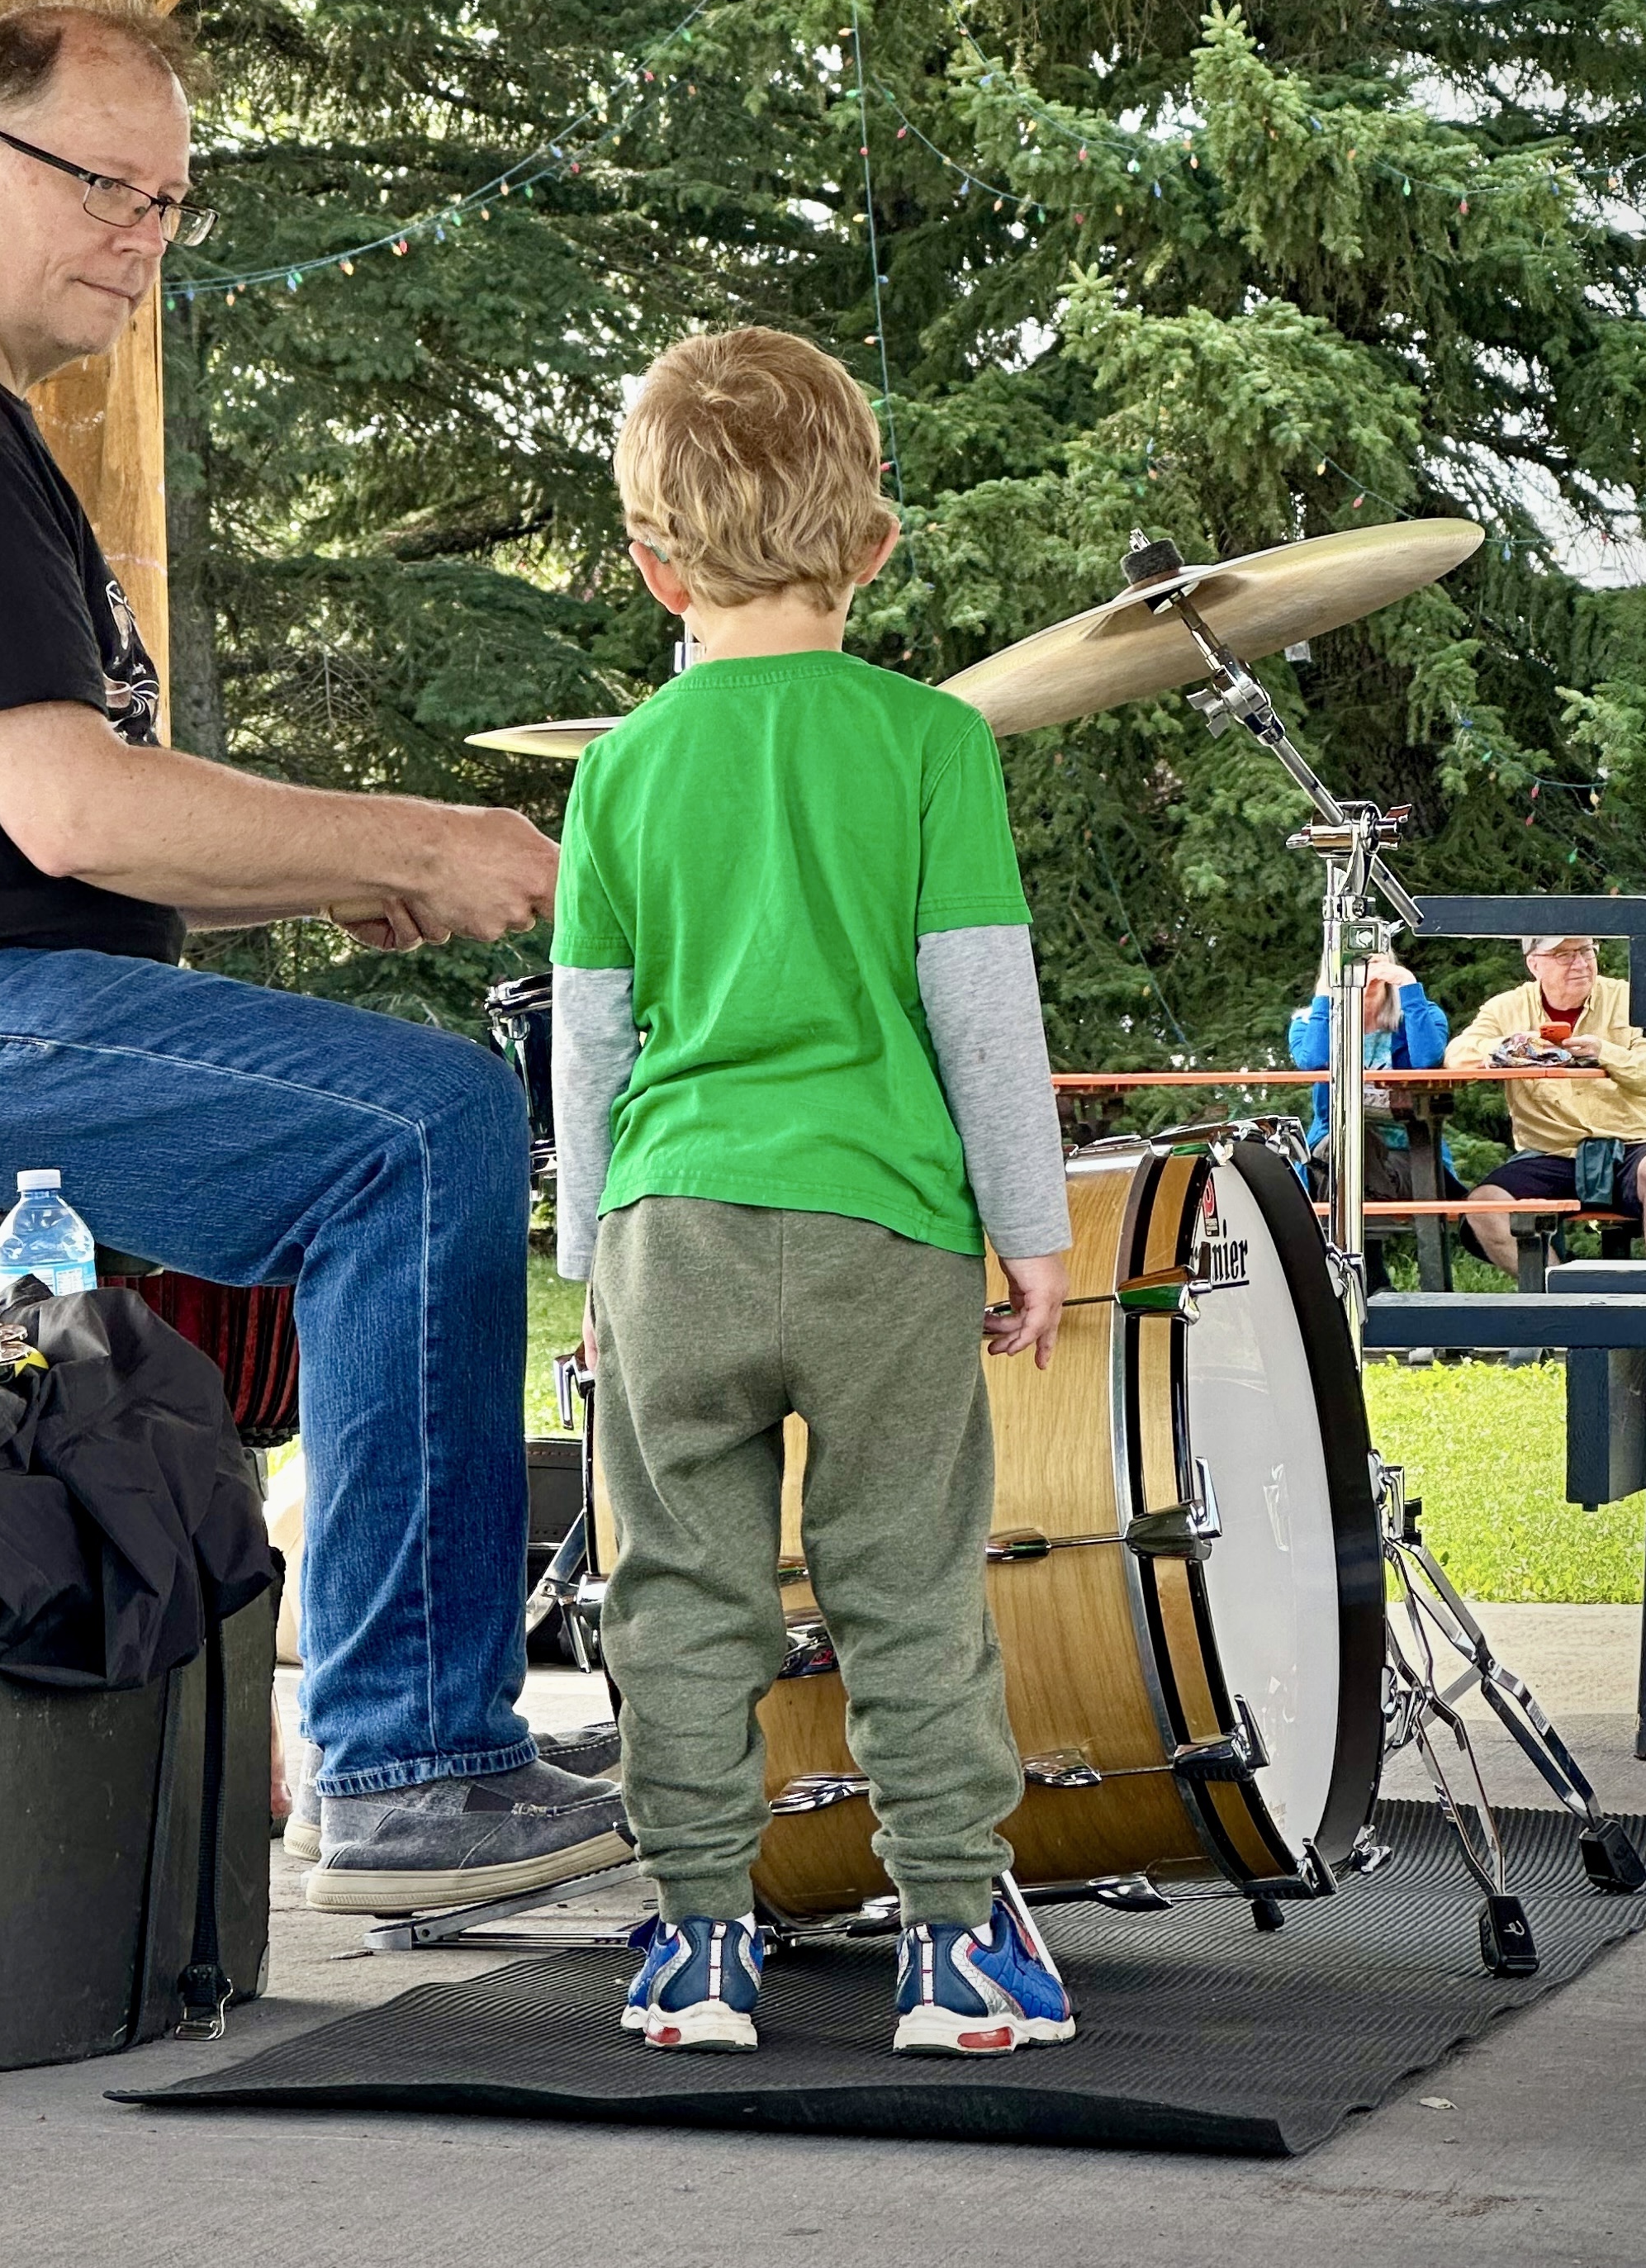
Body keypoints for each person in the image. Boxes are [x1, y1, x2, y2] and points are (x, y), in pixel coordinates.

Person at [0, 0, 630, 1915]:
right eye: (106, 185)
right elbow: (74, 813)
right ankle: (409, 1762)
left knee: (400, 1110)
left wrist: (315, 871)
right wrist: (417, 833)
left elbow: (56, 811)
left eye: (170, 202)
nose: (142, 236)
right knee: (423, 1120)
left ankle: (387, 1723)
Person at [551, 326, 1077, 2058]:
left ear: (650, 567)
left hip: (672, 1223)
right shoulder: (928, 743)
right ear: (875, 544)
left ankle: (697, 1941)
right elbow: (981, 1015)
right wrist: (1033, 1231)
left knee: (679, 1591)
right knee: (903, 1578)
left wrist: (587, 1249)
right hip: (882, 1225)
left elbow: (591, 1039)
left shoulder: (616, 768)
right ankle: (950, 1945)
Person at [1444, 935, 1646, 1273]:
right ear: (1534, 964)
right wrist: (1514, 1047)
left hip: (1633, 1146)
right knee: (1485, 1206)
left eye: (1586, 950)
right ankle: (1556, 1302)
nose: (1580, 962)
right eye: (1563, 954)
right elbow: (1457, 1056)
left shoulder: (1631, 998)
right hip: (1550, 1152)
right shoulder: (1506, 1007)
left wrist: (1604, 1052)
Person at [1287, 954, 1453, 1198]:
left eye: (1372, 958)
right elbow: (1312, 1061)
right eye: (1352, 960)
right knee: (1350, 1140)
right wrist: (1325, 994)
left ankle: (1350, 1230)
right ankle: (1365, 1219)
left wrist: (1407, 983)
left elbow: (1426, 1060)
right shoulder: (1310, 1022)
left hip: (1409, 1151)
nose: (1363, 968)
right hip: (1335, 1149)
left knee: (1348, 1161)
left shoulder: (1421, 1013)